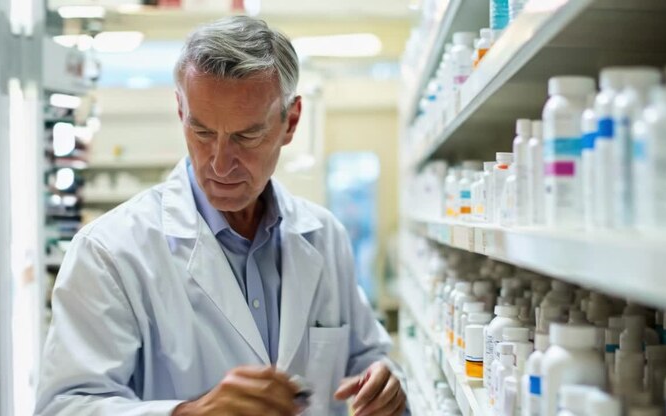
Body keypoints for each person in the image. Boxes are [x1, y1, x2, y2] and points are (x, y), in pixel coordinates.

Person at [35, 15, 408, 416]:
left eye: (246, 136)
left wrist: (384, 379)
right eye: (202, 132)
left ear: (291, 121)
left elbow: (367, 355)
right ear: (181, 111)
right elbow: (65, 406)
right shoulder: (109, 252)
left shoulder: (324, 236)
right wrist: (190, 413)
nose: (219, 162)